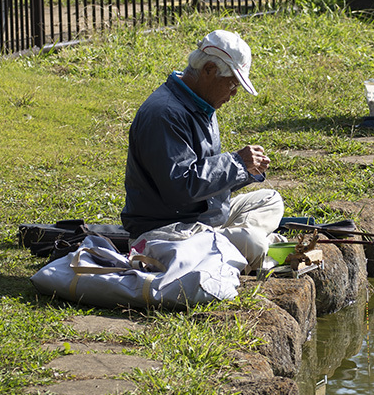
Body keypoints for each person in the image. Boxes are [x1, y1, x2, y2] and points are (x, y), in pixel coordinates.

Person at [121, 30, 284, 269]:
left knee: (271, 200)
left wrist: (246, 170)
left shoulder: (200, 103)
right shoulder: (164, 114)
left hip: (204, 218)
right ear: (208, 70)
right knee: (254, 243)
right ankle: (244, 247)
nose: (233, 93)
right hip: (169, 231)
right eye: (232, 83)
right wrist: (236, 163)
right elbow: (181, 187)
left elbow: (204, 178)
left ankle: (229, 244)